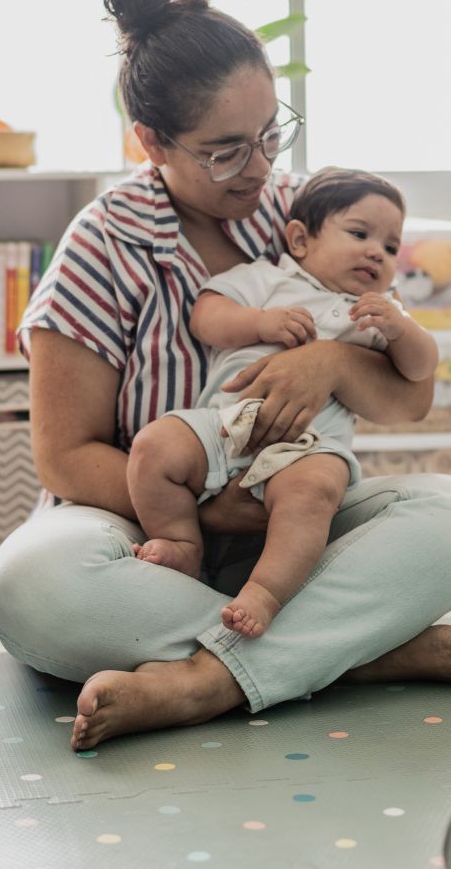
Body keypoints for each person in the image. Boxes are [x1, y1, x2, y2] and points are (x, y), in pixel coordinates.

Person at [0, 0, 451, 756]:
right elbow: (64, 458)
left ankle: (206, 680)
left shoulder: (310, 214)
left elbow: (407, 402)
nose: (261, 168)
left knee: (443, 515)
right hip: (147, 531)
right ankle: (363, 652)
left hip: (295, 518)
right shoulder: (102, 245)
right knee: (31, 589)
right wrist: (205, 508)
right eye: (226, 152)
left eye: (270, 134)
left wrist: (331, 365)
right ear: (152, 143)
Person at [128, 167, 438, 638]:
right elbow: (206, 315)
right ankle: (181, 541)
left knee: (313, 493)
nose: (377, 251)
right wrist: (259, 323)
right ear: (299, 240)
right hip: (224, 425)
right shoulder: (269, 279)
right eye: (359, 234)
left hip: (308, 448)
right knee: (154, 447)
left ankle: (265, 593)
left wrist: (401, 329)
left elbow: (419, 371)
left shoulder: (377, 313)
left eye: (391, 247)